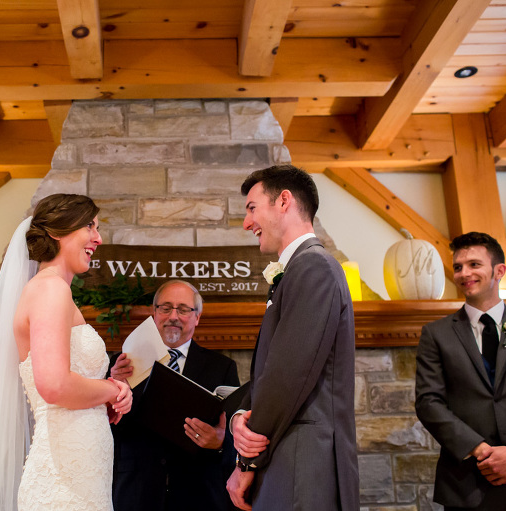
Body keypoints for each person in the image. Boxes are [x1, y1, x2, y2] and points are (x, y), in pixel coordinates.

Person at [0, 193, 132, 511]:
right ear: (57, 232)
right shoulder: (50, 289)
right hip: (63, 484)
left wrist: (100, 397)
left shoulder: (55, 290)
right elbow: (54, 385)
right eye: (89, 226)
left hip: (80, 476)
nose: (98, 238)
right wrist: (113, 389)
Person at [226, 165, 359, 510]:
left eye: (252, 208)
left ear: (284, 201)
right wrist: (240, 416)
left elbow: (287, 375)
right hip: (289, 457)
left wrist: (246, 460)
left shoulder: (314, 267)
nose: (246, 223)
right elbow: (271, 372)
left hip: (303, 465)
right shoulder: (300, 268)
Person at [415, 232, 506, 510]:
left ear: (499, 271)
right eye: (458, 267)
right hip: (467, 483)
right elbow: (428, 402)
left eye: (474, 264)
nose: (464, 273)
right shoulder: (436, 334)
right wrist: (484, 452)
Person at [109, 279, 240, 510]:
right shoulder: (122, 363)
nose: (173, 316)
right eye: (166, 308)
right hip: (136, 492)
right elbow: (107, 429)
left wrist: (220, 441)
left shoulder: (222, 367)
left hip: (198, 495)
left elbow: (234, 433)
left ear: (197, 317)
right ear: (154, 313)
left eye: (183, 309)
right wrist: (115, 389)